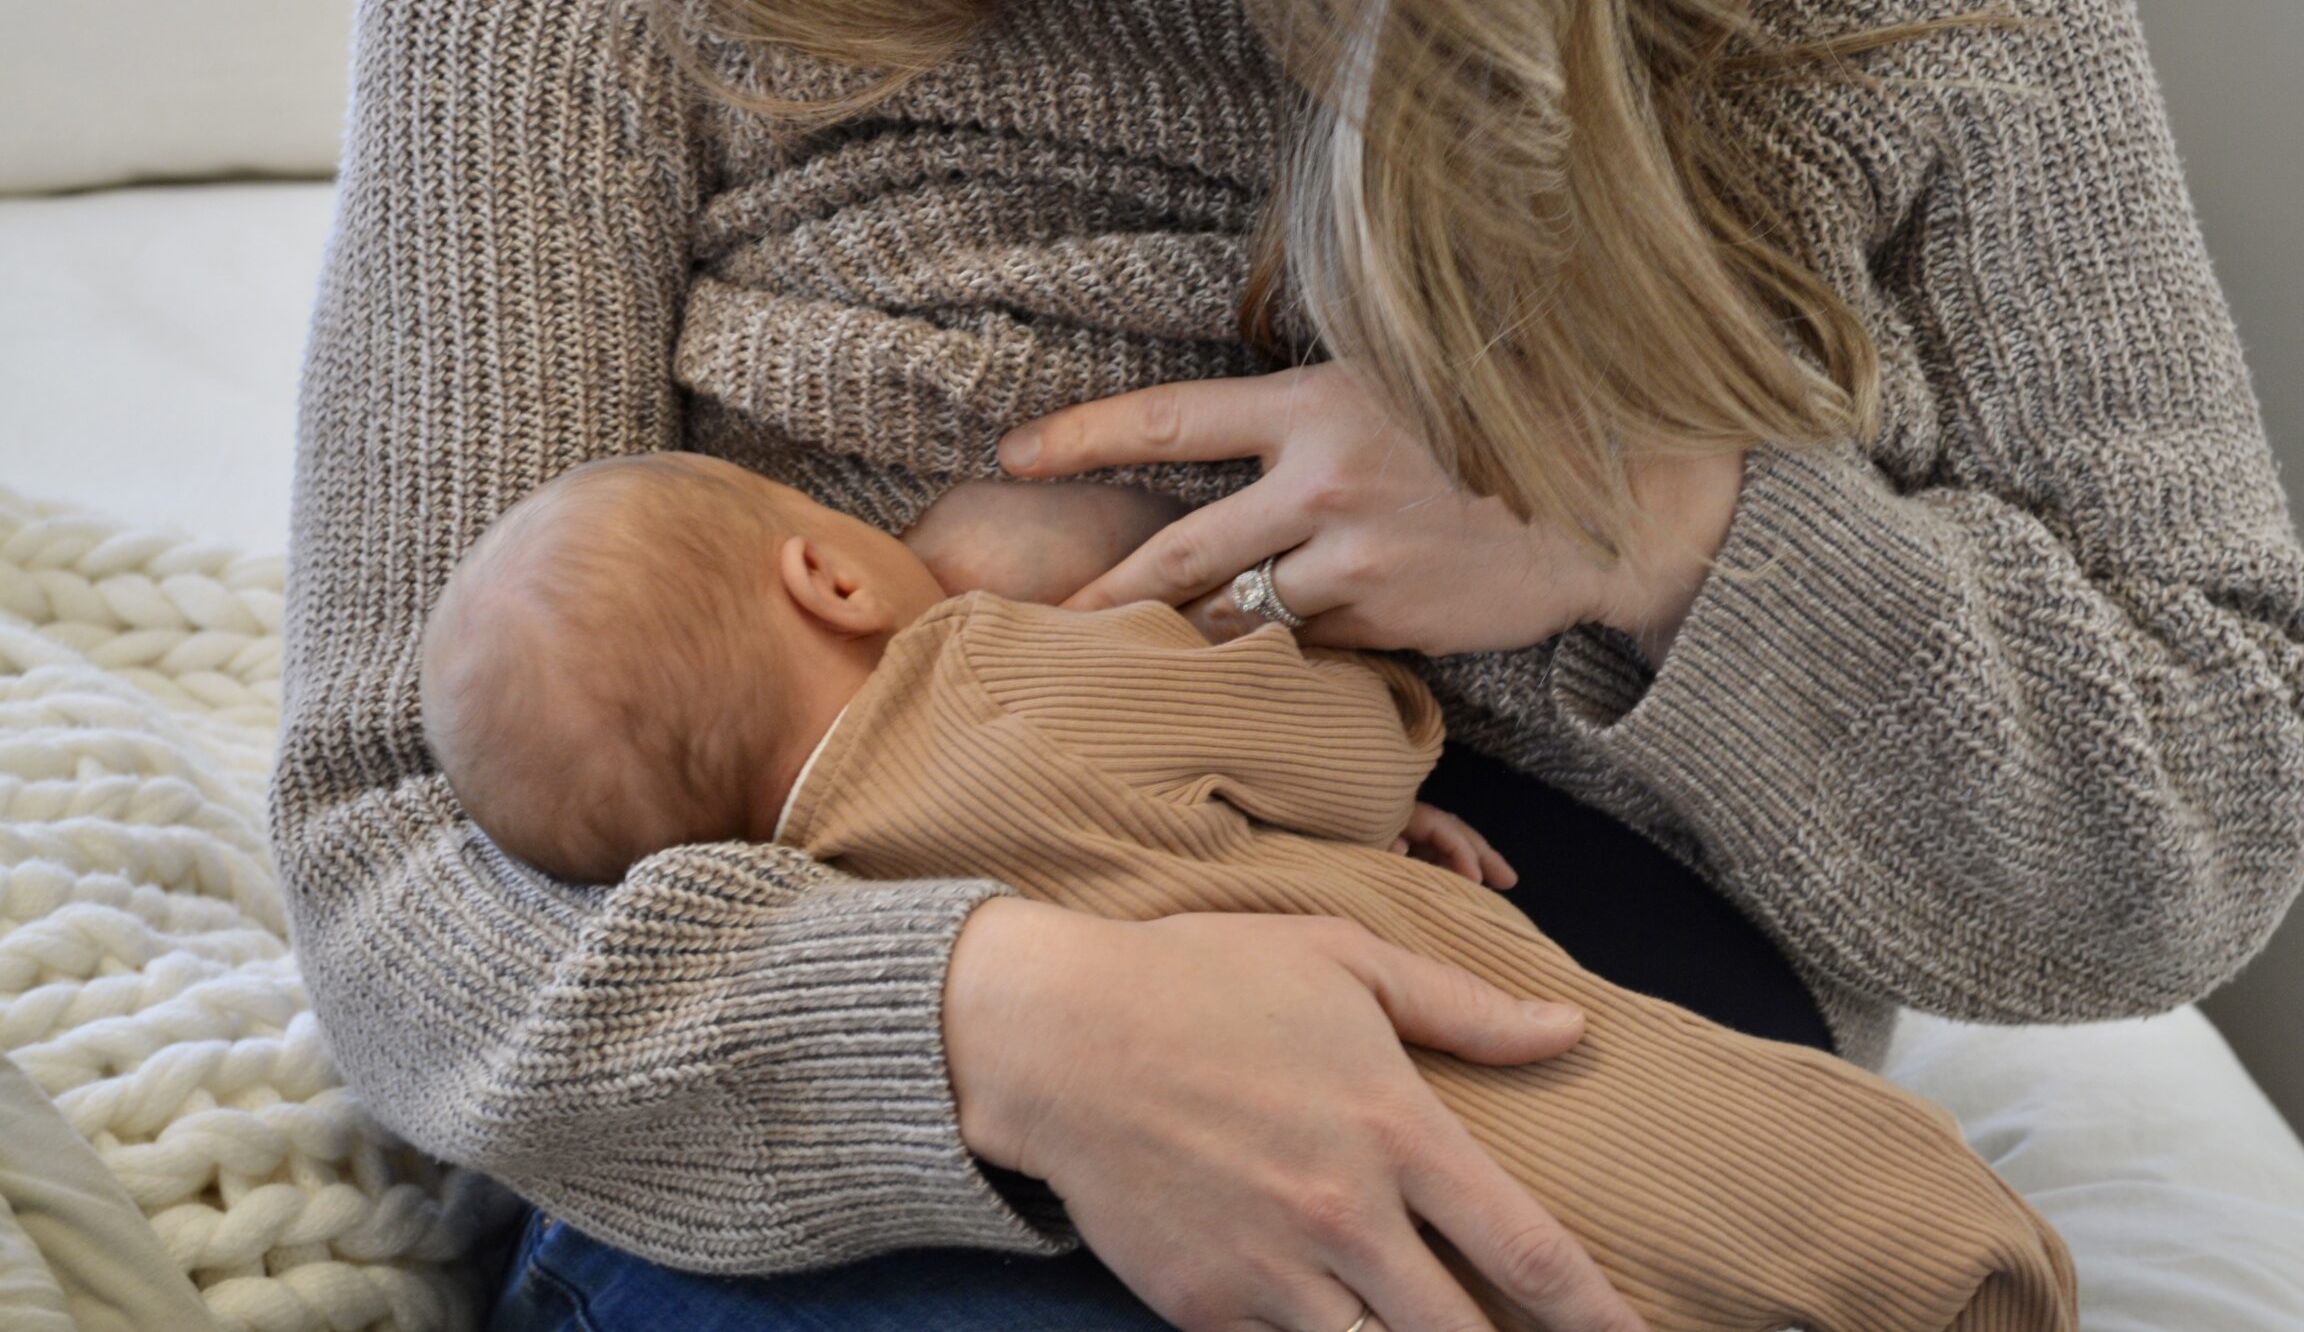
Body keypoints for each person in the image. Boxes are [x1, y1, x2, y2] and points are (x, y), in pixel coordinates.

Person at [274, 0, 2304, 1326]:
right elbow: (389, 862)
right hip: (848, 1071)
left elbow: (2190, 808)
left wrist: (1646, 527)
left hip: (1589, 1059)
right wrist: (989, 1021)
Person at [419, 449, 2077, 1332]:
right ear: (834, 570)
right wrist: (1368, 713)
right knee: (1886, 1214)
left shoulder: (804, 883)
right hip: (1517, 1093)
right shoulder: (993, 678)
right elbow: (1307, 745)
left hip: (1275, 1252)